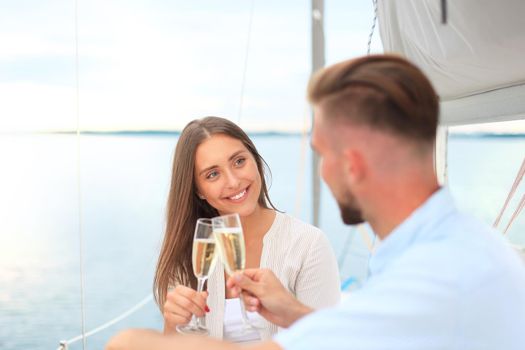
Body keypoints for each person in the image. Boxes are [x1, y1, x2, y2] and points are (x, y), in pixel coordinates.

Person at [106, 55, 525, 350]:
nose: (321, 172)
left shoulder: (434, 275)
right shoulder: (439, 249)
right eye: (213, 173)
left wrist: (126, 343)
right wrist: (290, 311)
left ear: (354, 164)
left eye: (322, 153)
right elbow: (359, 339)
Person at [153, 116, 340, 342]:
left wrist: (290, 310)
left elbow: (330, 342)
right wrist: (173, 326)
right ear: (198, 190)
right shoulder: (189, 251)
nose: (233, 181)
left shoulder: (308, 245)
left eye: (239, 161)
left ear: (255, 160)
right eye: (213, 174)